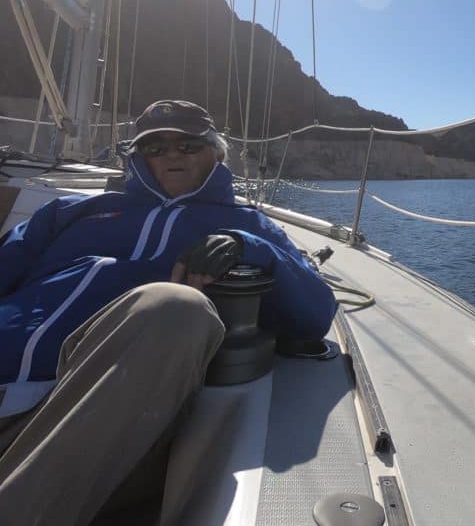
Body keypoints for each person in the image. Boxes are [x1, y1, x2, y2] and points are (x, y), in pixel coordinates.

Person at [0, 100, 336, 525]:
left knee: (177, 307)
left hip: (89, 413)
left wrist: (249, 248)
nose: (172, 154)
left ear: (216, 152)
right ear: (139, 159)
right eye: (155, 148)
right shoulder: (72, 211)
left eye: (188, 144)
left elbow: (315, 315)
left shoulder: (252, 225)